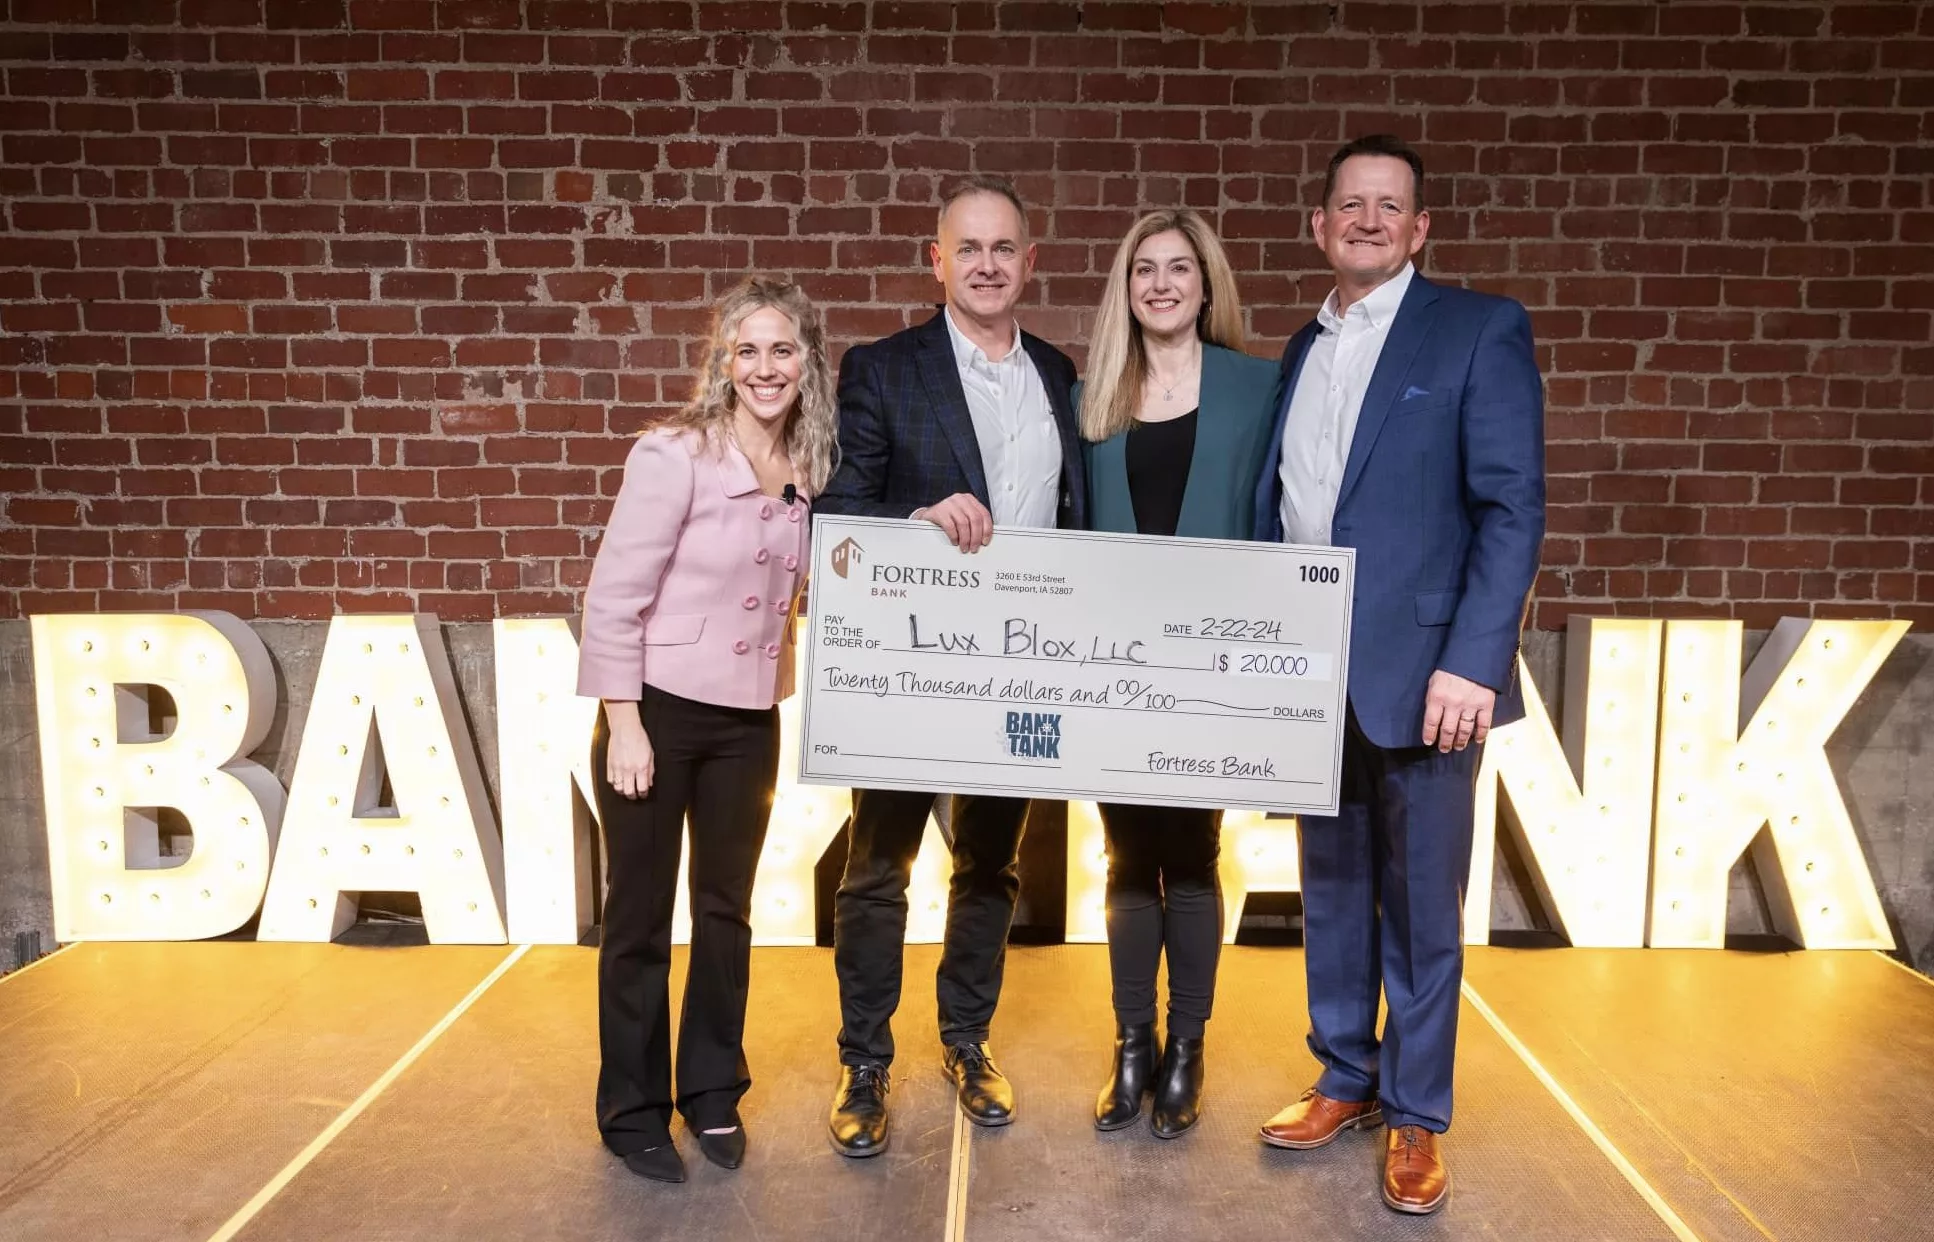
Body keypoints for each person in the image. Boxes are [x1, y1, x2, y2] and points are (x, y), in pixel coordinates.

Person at [1251, 135, 1546, 1214]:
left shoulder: (1476, 329)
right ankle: (1344, 1075)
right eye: (1349, 206)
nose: (1367, 221)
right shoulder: (1302, 346)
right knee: (1327, 890)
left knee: (1421, 906)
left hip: (1428, 678)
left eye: (1389, 207)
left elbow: (1511, 506)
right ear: (1318, 227)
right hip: (1309, 666)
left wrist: (1473, 660)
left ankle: (1417, 1115)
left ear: (1418, 230)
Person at [816, 174, 1087, 1157]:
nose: (984, 264)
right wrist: (915, 523)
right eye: (964, 248)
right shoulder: (883, 368)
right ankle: (863, 1061)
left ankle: (966, 1041)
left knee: (988, 865)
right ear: (935, 260)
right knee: (876, 870)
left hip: (1018, 665)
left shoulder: (1060, 374)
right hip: (911, 662)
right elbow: (837, 511)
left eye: (1001, 248)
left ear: (1028, 261)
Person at [576, 276, 838, 1184]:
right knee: (640, 919)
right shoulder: (675, 453)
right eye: (748, 350)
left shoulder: (812, 468)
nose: (766, 368)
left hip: (747, 722)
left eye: (783, 350)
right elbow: (612, 597)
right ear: (723, 364)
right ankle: (632, 1108)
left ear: (808, 362)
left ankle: (713, 1093)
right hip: (655, 714)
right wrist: (624, 724)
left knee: (726, 914)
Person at [1075, 209, 1280, 1138]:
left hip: (1212, 664)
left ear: (1207, 284)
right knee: (1125, 856)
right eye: (1143, 269)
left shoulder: (1258, 387)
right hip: (1114, 667)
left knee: (1192, 855)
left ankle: (1186, 1046)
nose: (1161, 283)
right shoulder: (1093, 398)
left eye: (1179, 268)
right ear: (1127, 288)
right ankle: (1131, 1046)